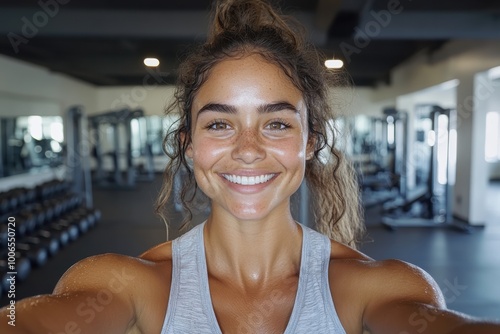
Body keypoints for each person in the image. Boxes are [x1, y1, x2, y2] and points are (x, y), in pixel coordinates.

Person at [1, 0, 500, 333]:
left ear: (310, 143)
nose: (247, 149)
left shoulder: (379, 288)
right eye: (219, 124)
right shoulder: (127, 283)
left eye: (277, 124)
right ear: (188, 145)